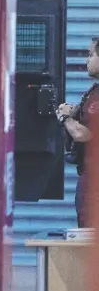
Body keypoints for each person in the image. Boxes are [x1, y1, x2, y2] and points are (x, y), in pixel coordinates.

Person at [56, 36, 99, 227]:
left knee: (89, 232)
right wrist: (74, 111)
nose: (86, 60)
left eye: (91, 55)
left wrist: (65, 118)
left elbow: (84, 134)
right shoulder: (94, 91)